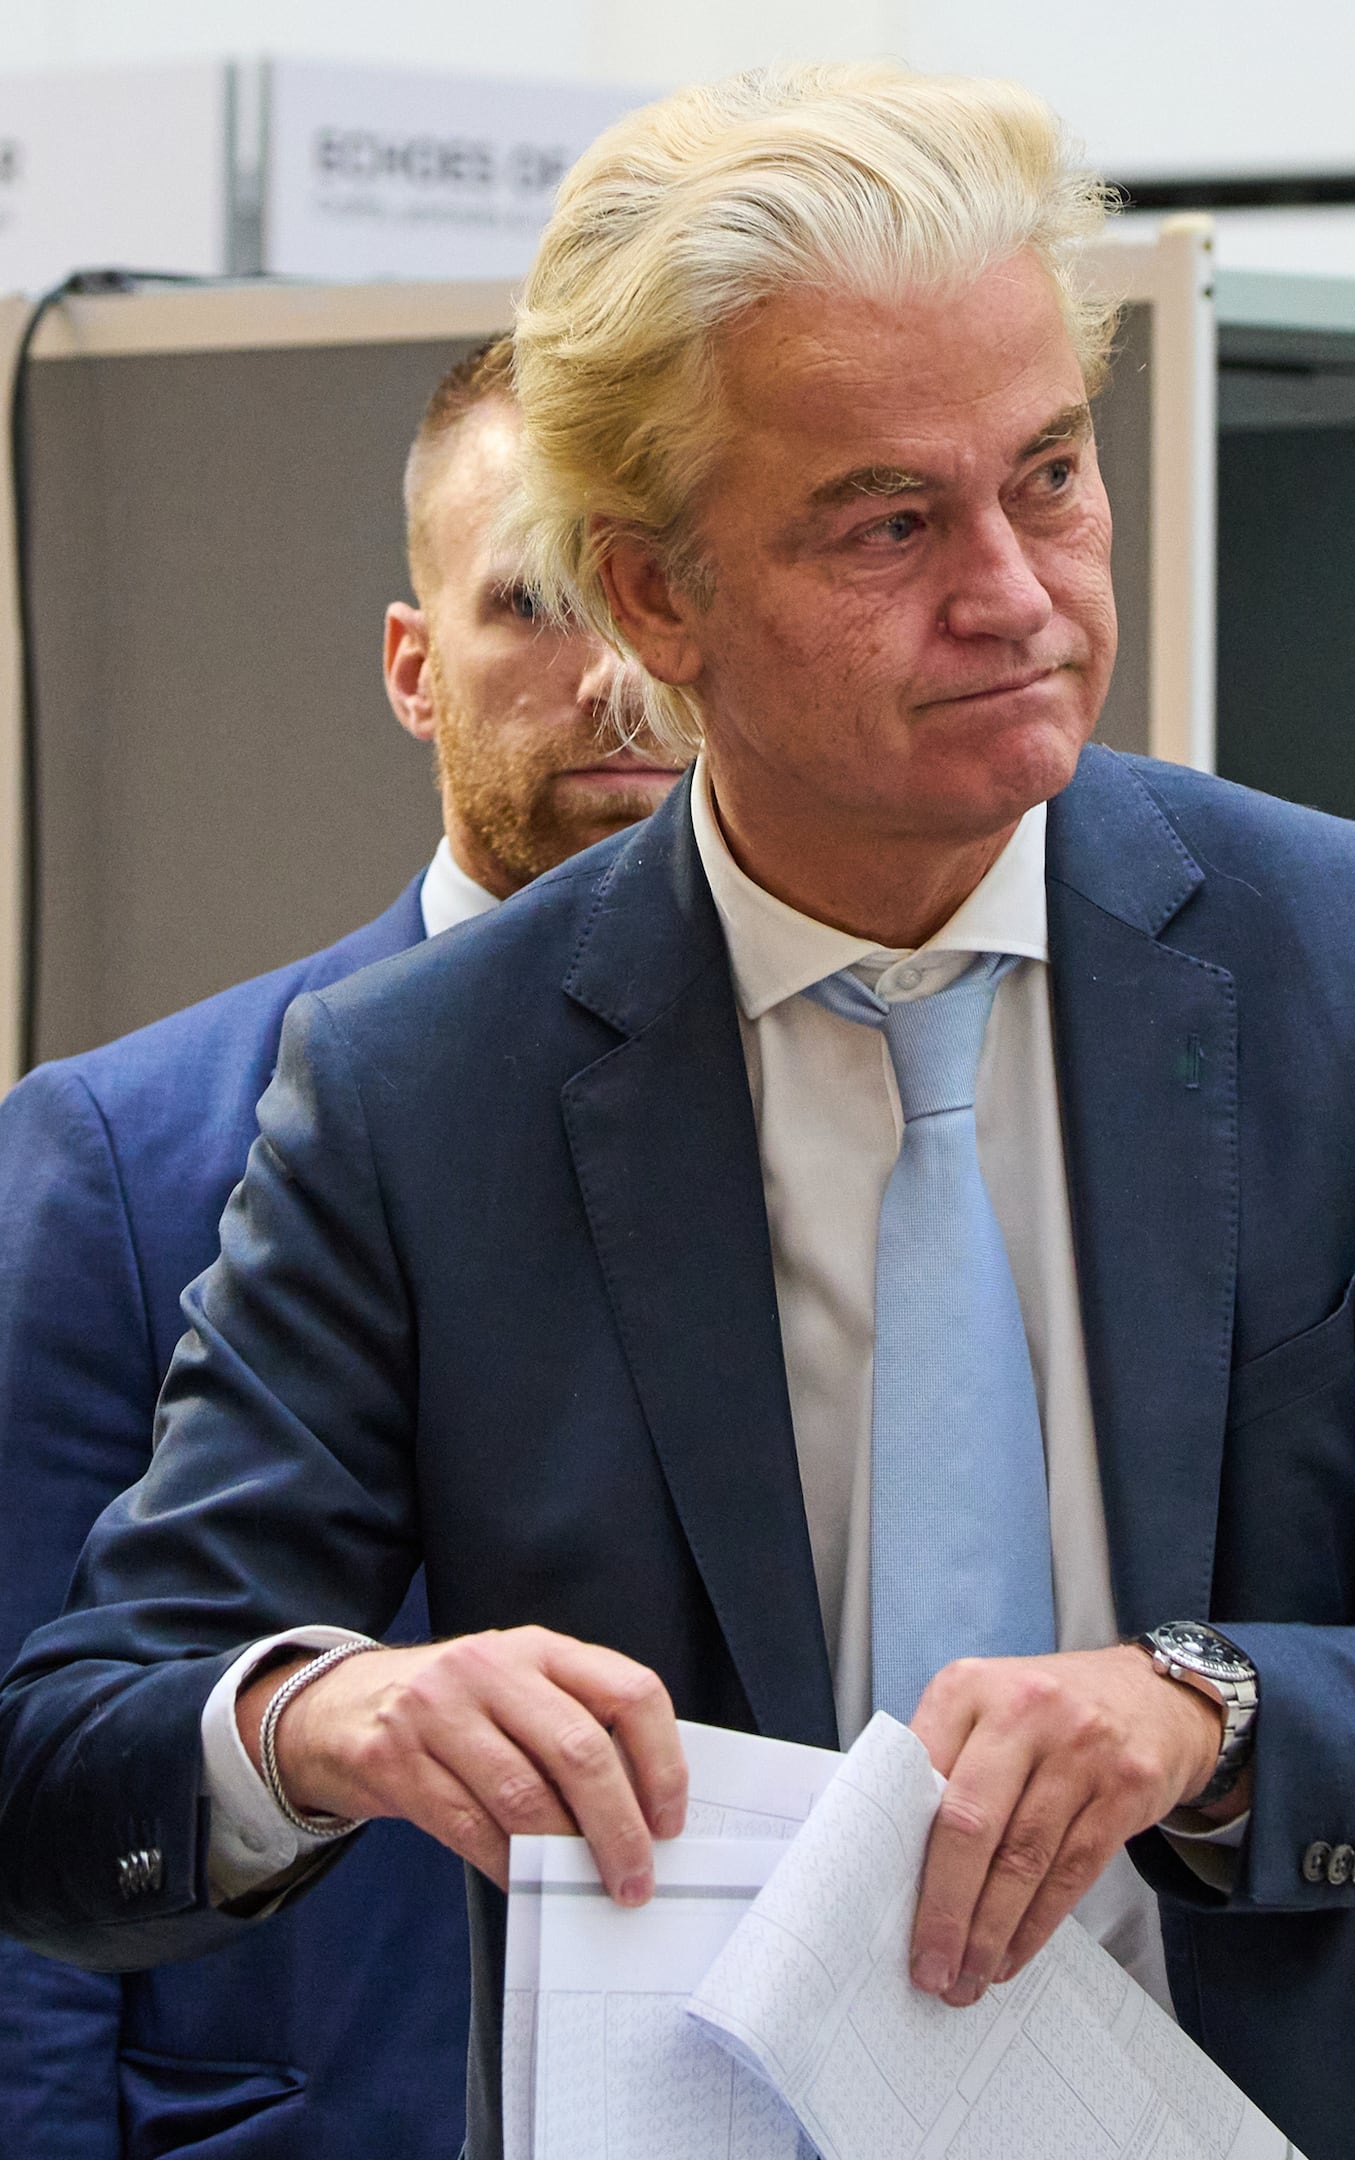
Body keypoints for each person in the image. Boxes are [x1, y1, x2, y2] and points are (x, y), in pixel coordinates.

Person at [0, 66, 1355, 2160]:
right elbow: (62, 1769)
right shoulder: (423, 1089)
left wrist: (1210, 1713)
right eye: (891, 523)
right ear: (655, 600)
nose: (1017, 594)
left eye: (1051, 477)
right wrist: (317, 1713)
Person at [0, 335, 675, 2159]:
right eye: (531, 603)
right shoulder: (124, 1151)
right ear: (411, 664)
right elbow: (29, 1778)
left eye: (652, 598)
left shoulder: (851, 1111)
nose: (614, 675)